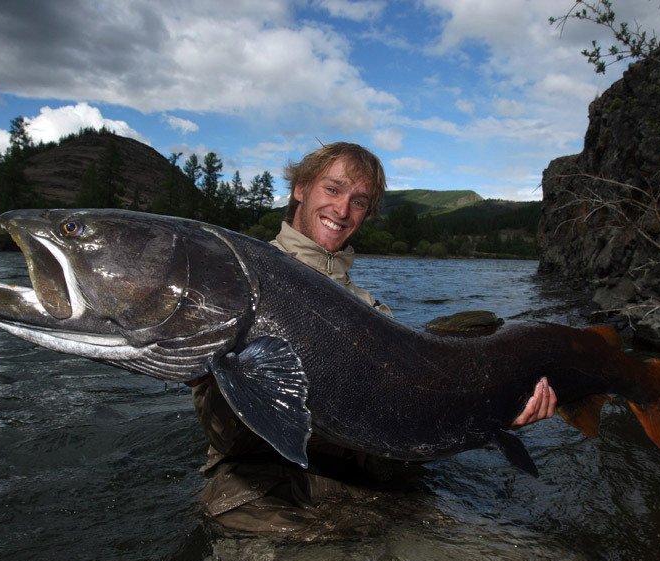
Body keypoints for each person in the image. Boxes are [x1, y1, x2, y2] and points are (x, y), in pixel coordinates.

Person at [192, 142, 557, 534]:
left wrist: (498, 413)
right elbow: (221, 430)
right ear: (300, 189)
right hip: (266, 499)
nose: (342, 210)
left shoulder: (373, 313)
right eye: (332, 190)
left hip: (366, 494)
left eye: (359, 201)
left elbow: (409, 431)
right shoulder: (236, 281)